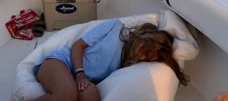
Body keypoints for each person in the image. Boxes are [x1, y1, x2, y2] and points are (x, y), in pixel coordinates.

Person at [31, 18, 189, 101]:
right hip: (61, 63)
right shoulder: (114, 27)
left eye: (146, 59)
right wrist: (80, 73)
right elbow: (78, 46)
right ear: (143, 36)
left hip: (82, 80)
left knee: (92, 96)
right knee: (67, 95)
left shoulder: (127, 65)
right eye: (144, 50)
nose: (141, 57)